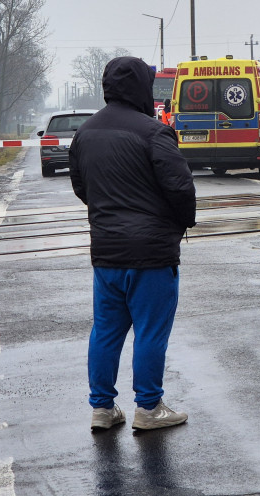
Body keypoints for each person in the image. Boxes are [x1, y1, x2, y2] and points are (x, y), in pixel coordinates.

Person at [69, 56, 197, 432]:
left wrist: (107, 215)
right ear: (141, 86)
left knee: (106, 330)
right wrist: (180, 223)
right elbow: (180, 188)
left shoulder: (85, 132)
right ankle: (149, 407)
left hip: (106, 252)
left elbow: (82, 187)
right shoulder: (154, 132)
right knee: (150, 331)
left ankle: (103, 409)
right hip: (152, 254)